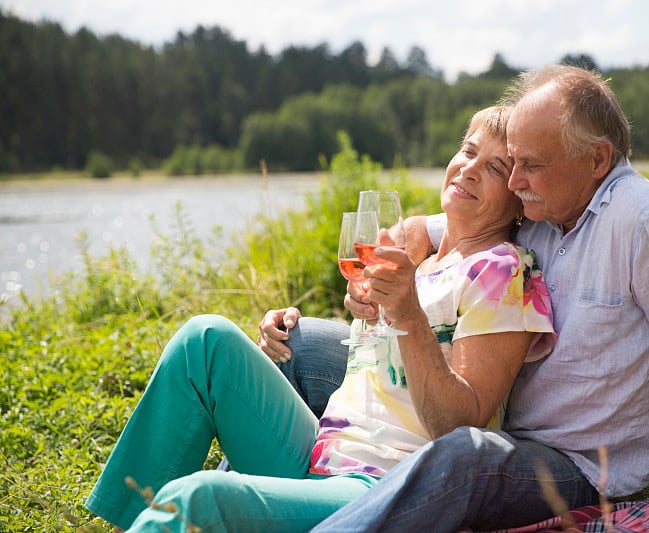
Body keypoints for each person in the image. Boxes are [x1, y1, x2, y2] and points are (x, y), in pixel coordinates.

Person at [260, 65, 649, 532]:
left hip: (574, 465)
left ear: (597, 159)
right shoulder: (541, 206)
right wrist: (397, 252)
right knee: (300, 343)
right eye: (511, 163)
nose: (515, 180)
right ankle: (280, 486)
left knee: (462, 455)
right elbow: (440, 222)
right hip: (494, 414)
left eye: (530, 164)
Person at [84, 105, 556, 531]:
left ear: (518, 193)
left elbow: (461, 428)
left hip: (381, 487)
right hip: (319, 450)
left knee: (198, 497)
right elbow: (375, 368)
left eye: (495, 166)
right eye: (468, 151)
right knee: (204, 340)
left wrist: (407, 311)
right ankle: (128, 522)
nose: (470, 170)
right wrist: (298, 325)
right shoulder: (420, 258)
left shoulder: (505, 271)